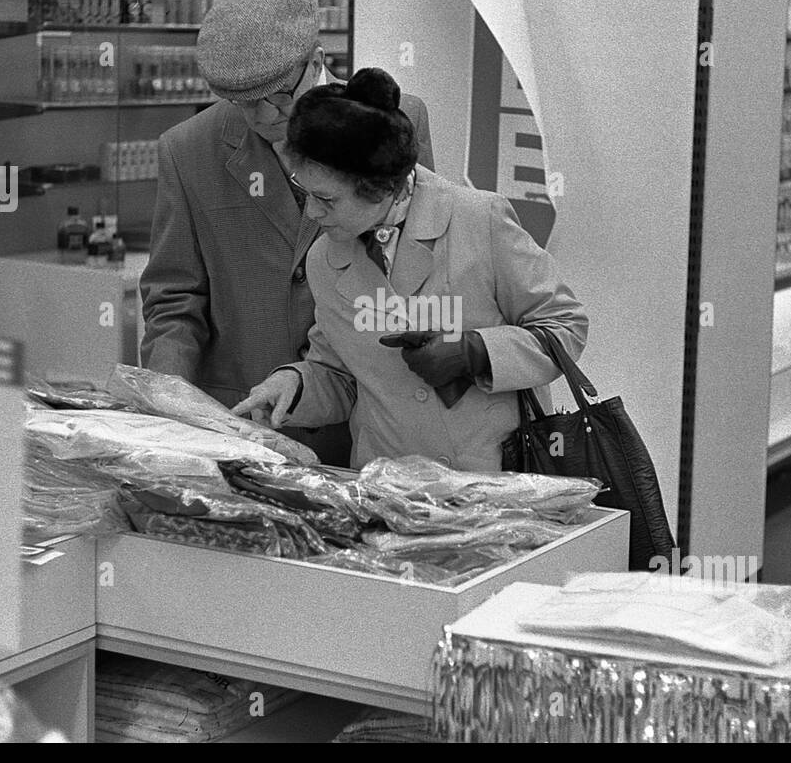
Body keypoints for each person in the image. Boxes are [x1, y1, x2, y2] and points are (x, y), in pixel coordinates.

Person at [232, 68, 587, 472]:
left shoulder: (478, 220)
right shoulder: (325, 259)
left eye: (327, 200)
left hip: (492, 484)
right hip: (389, 489)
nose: (312, 213)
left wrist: (477, 352)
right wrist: (294, 386)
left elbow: (565, 327)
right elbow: (341, 374)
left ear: (381, 186)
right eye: (305, 194)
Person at [139, 0, 433, 467]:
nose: (264, 117)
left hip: (367, 419)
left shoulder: (398, 119)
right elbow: (174, 298)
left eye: (280, 97)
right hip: (242, 422)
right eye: (242, 103)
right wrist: (165, 405)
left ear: (316, 60)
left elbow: (419, 260)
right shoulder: (187, 149)